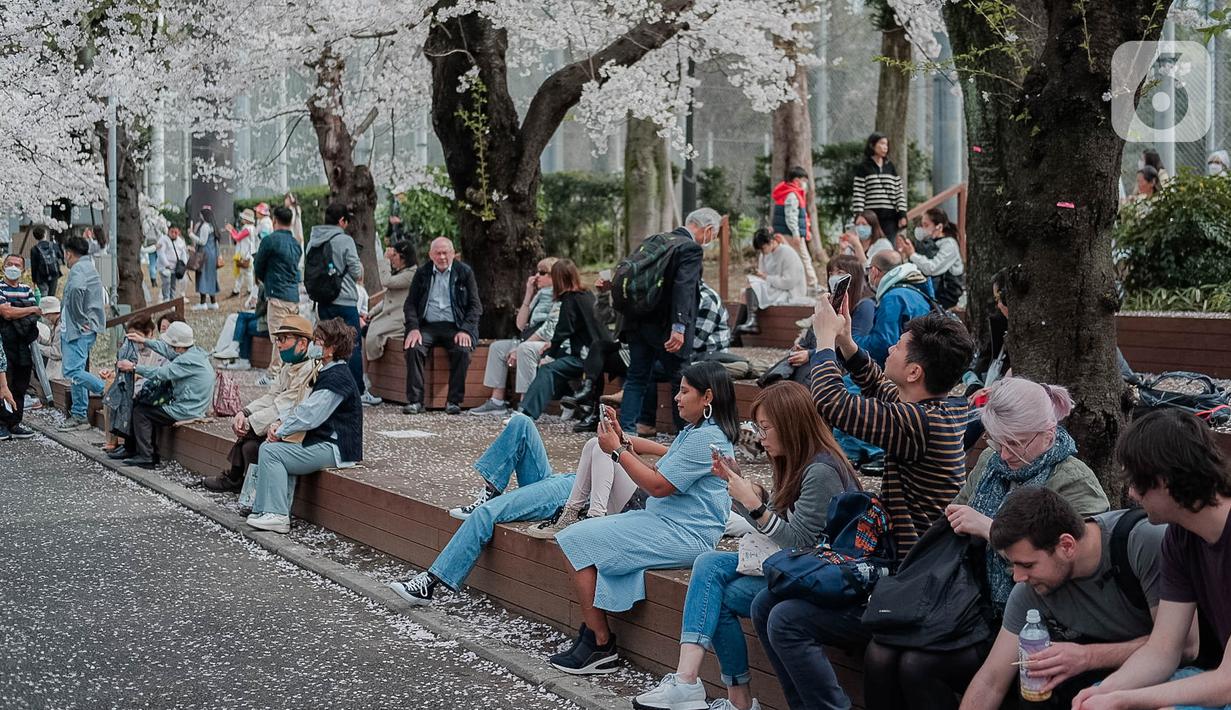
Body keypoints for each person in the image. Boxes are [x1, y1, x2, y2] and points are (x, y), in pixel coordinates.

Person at [863, 378, 1111, 710]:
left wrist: (990, 529)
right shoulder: (991, 465)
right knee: (879, 651)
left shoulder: (1075, 483)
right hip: (972, 604)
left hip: (1039, 620)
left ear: (1048, 435)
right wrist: (956, 517)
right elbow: (957, 520)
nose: (1005, 454)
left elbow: (1069, 567)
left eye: (1015, 443)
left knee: (918, 665)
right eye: (997, 441)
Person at [632, 381, 861, 710]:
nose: (761, 437)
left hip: (820, 577)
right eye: (758, 427)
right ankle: (687, 681)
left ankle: (736, 700)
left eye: (765, 427)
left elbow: (798, 541)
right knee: (709, 563)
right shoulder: (794, 461)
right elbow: (780, 529)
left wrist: (753, 503)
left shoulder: (821, 471)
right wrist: (740, 489)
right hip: (797, 567)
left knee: (722, 594)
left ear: (792, 424)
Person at [548, 361, 737, 675]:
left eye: (684, 391)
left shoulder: (707, 437)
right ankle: (596, 638)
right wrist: (620, 438)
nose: (676, 397)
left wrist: (618, 451)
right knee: (581, 536)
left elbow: (658, 486)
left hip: (685, 534)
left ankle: (600, 644)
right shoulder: (697, 430)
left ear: (707, 397)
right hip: (666, 521)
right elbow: (662, 467)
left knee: (572, 540)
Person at [957, 487, 1186, 710]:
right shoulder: (1030, 591)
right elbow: (991, 680)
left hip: (1178, 683)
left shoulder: (1142, 542)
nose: (1018, 577)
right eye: (1013, 564)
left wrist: (1087, 657)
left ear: (1066, 545)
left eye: (1027, 565)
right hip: (1093, 693)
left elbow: (1185, 646)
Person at [1072, 409, 1231, 710]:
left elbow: (1226, 685)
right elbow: (1162, 651)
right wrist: (1105, 693)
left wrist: (1124, 700)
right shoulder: (1179, 537)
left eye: (1135, 482)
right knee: (1096, 693)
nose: (1131, 494)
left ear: (1164, 480)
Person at [245, 318, 363, 534]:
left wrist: (281, 429)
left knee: (272, 452)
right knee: (270, 448)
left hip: (337, 447)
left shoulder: (337, 377)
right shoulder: (327, 370)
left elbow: (311, 414)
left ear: (332, 348)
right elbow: (305, 407)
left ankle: (278, 515)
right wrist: (280, 425)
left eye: (318, 341)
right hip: (326, 442)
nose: (313, 345)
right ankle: (262, 509)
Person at [612, 207, 716, 433]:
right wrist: (679, 327)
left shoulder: (656, 240)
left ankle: (626, 433)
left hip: (637, 322)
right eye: (713, 235)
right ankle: (685, 434)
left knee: (637, 377)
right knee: (680, 378)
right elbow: (684, 289)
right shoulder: (690, 249)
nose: (710, 240)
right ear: (707, 230)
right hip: (666, 328)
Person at [201, 316, 320, 492]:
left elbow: (282, 406)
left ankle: (237, 480)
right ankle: (245, 486)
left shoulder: (309, 371)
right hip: (280, 424)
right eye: (277, 339)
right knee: (250, 446)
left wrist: (250, 423)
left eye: (283, 339)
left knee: (251, 441)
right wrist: (245, 412)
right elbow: (272, 396)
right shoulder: (289, 366)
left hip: (298, 432)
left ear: (302, 343)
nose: (278, 344)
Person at [117, 321, 215, 469]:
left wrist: (133, 367)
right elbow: (167, 350)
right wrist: (144, 341)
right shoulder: (194, 352)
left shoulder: (186, 361)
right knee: (139, 402)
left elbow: (161, 373)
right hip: (189, 402)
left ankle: (147, 456)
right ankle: (131, 448)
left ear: (179, 346)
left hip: (187, 409)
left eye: (171, 344)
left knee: (141, 412)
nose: (168, 347)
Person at [516, 259, 605, 420]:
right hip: (597, 354)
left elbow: (562, 331)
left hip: (586, 358)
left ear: (557, 279)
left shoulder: (569, 300)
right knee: (556, 366)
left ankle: (526, 414)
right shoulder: (586, 295)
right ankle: (571, 402)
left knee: (548, 368)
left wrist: (550, 355)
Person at [401, 237, 481, 415]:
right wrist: (413, 328)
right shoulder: (422, 273)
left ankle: (454, 401)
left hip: (456, 325)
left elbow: (475, 306)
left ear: (453, 254)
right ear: (431, 255)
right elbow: (410, 304)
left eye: (445, 252)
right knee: (413, 346)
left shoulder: (464, 272)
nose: (442, 257)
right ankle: (415, 401)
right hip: (428, 325)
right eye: (438, 253)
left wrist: (466, 330)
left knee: (463, 349)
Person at [469, 257, 558, 416]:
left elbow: (547, 330)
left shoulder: (558, 296)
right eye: (537, 272)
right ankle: (497, 401)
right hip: (529, 338)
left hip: (547, 343)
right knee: (497, 347)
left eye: (542, 272)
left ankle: (526, 405)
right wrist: (528, 294)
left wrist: (519, 348)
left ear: (555, 276)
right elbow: (520, 325)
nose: (537, 276)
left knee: (524, 349)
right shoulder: (539, 295)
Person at [307, 203, 365, 387]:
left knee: (326, 344)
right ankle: (357, 389)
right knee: (351, 345)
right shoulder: (344, 240)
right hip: (345, 301)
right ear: (341, 220)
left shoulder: (314, 239)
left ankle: (326, 384)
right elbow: (357, 272)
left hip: (323, 301)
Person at [55, 236, 107, 432]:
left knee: (72, 371)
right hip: (81, 328)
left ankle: (107, 390)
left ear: (68, 253)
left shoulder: (78, 269)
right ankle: (79, 414)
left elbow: (76, 290)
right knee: (76, 371)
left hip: (78, 330)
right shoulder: (88, 266)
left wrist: (79, 319)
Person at [98, 316, 165, 458]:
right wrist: (110, 372)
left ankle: (127, 445)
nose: (134, 340)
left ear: (150, 334)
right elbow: (121, 368)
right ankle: (115, 440)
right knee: (113, 389)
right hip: (135, 385)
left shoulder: (158, 350)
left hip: (150, 388)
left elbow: (157, 373)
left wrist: (136, 373)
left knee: (128, 397)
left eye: (138, 336)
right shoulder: (129, 349)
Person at [360, 240, 417, 406]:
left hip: (400, 320)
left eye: (395, 256)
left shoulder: (411, 274)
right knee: (367, 331)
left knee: (372, 333)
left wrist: (384, 260)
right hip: (389, 316)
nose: (392, 260)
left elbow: (386, 282)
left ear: (403, 257)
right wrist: (370, 313)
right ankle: (365, 376)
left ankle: (365, 377)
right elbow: (387, 298)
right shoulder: (403, 272)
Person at [859, 249, 936, 365]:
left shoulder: (893, 298)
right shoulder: (914, 289)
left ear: (874, 271)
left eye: (869, 270)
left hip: (905, 366)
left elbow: (883, 345)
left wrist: (852, 341)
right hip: (921, 362)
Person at [253, 205, 304, 381]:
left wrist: (264, 279)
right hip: (293, 296)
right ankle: (288, 372)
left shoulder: (270, 241)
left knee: (278, 336)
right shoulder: (296, 244)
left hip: (277, 294)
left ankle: (273, 373)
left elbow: (258, 266)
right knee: (291, 335)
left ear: (274, 220)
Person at [734, 229, 808, 335]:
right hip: (774, 288)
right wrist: (761, 277)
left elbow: (789, 282)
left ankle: (752, 323)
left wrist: (765, 277)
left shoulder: (787, 252)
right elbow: (763, 278)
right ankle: (736, 335)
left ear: (771, 241)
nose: (762, 252)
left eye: (763, 248)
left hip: (789, 291)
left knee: (752, 286)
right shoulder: (764, 255)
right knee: (745, 292)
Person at [0, 254, 41, 440]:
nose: (13, 267)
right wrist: (27, 309)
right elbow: (5, 313)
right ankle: (1, 423)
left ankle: (15, 422)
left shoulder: (27, 289)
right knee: (3, 382)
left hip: (23, 345)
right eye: (10, 264)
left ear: (23, 269)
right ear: (3, 267)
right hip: (4, 342)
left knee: (20, 384)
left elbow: (35, 314)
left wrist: (19, 309)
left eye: (17, 265)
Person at [898, 207, 965, 310]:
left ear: (939, 227)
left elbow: (932, 268)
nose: (921, 228)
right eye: (921, 225)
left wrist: (912, 254)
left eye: (926, 225)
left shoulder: (949, 244)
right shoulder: (927, 243)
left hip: (947, 296)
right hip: (931, 292)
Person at [852, 132, 908, 240]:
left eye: (886, 145)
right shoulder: (864, 167)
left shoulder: (890, 167)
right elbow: (859, 194)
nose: (885, 147)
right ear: (872, 145)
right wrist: (859, 215)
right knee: (872, 247)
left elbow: (899, 192)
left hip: (890, 218)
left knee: (889, 248)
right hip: (871, 218)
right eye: (882, 144)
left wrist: (902, 214)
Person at [770, 165, 818, 291]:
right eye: (804, 181)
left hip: (785, 232)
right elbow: (791, 216)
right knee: (803, 257)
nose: (805, 184)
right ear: (797, 180)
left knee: (789, 258)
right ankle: (812, 284)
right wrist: (796, 233)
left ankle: (798, 284)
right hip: (791, 234)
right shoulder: (792, 195)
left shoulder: (786, 192)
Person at [191, 206, 221, 310]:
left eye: (201, 214)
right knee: (211, 277)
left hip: (204, 254)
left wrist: (191, 235)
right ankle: (213, 302)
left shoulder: (205, 226)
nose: (200, 216)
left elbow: (202, 241)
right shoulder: (213, 226)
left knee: (202, 276)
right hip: (212, 254)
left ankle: (202, 302)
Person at [227, 209, 258, 303]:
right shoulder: (251, 227)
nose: (242, 219)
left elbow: (237, 237)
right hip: (246, 253)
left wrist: (231, 230)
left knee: (246, 273)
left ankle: (249, 290)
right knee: (241, 273)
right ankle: (237, 289)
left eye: (244, 218)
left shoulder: (247, 228)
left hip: (246, 254)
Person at [156, 226, 189, 302]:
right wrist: (166, 264)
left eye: (176, 232)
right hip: (165, 266)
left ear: (178, 233)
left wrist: (184, 264)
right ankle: (166, 298)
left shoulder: (180, 241)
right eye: (172, 232)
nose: (174, 234)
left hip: (175, 267)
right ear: (168, 231)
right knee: (166, 282)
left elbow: (183, 253)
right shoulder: (163, 240)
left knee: (173, 284)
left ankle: (172, 299)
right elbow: (161, 253)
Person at [29, 226, 63, 298]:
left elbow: (34, 266)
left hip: (41, 276)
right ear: (45, 234)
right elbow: (60, 256)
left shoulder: (34, 249)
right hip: (54, 274)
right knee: (51, 297)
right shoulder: (53, 245)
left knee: (44, 296)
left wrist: (34, 280)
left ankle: (44, 309)